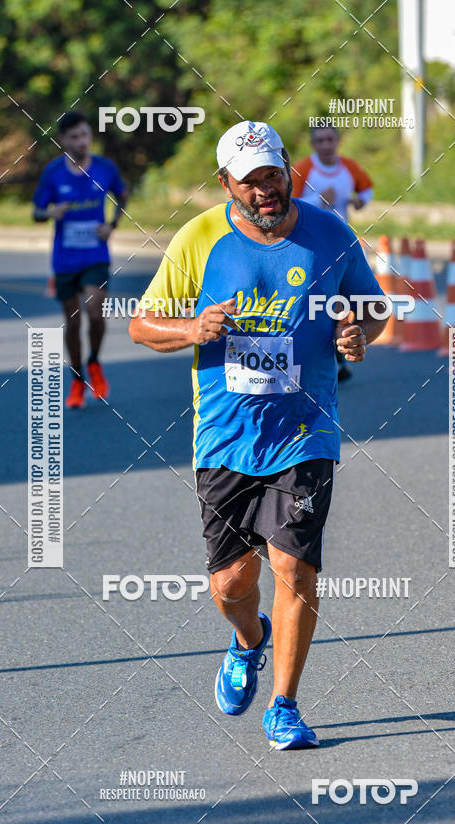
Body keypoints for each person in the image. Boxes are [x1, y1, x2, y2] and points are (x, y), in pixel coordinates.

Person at [129, 121, 386, 749]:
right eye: (250, 182)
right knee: (230, 585)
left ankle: (286, 705)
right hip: (224, 437)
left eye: (273, 175)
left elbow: (373, 309)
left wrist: (358, 334)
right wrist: (191, 328)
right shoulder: (199, 238)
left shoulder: (329, 233)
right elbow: (141, 325)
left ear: (287, 171)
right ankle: (248, 640)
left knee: (294, 564)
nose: (265, 191)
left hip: (306, 432)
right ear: (225, 185)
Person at [32, 111, 128, 408]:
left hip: (95, 255)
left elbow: (122, 195)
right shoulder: (53, 173)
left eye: (85, 135)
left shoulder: (104, 168)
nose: (81, 141)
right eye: (74, 137)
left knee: (96, 313)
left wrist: (112, 225)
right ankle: (77, 380)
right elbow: (36, 211)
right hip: (64, 260)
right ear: (63, 140)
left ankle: (95, 362)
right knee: (72, 324)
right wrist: (50, 213)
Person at [292, 126, 374, 382]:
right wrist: (318, 201)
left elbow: (366, 188)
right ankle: (309, 354)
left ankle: (337, 355)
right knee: (314, 300)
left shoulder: (348, 166)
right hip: (307, 244)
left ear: (337, 141)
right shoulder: (304, 168)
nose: (325, 144)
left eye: (330, 139)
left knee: (338, 300)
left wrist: (361, 201)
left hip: (339, 243)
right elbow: (288, 203)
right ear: (313, 143)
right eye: (320, 140)